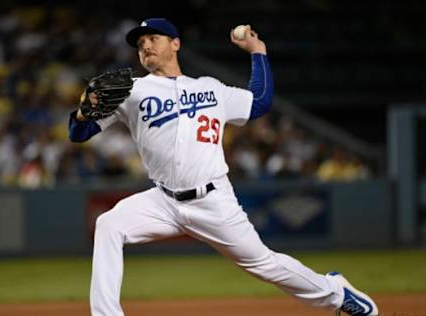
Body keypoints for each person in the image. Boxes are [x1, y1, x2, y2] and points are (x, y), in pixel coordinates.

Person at [69, 18, 379, 316]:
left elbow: (259, 101)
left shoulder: (210, 88)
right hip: (162, 201)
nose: (145, 46)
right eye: (140, 43)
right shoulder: (131, 91)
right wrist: (84, 112)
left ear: (175, 44)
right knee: (109, 225)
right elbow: (78, 133)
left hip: (212, 200)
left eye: (153, 38)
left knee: (264, 264)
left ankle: (337, 292)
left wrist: (258, 53)